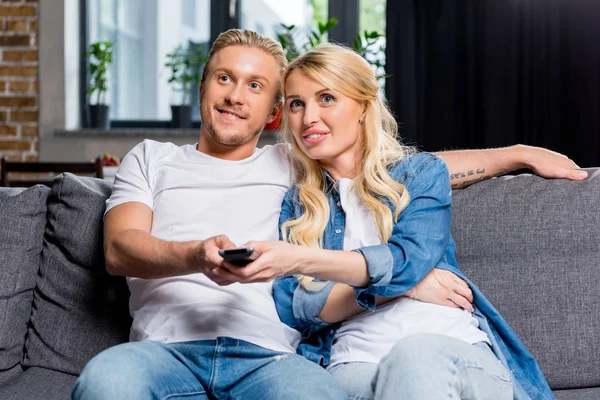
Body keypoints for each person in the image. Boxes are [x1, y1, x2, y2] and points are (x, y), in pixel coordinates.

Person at [72, 29, 581, 399]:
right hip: (173, 348)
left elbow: (406, 169)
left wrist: (514, 155)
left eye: (255, 86)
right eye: (225, 78)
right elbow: (120, 250)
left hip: (271, 359)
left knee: (364, 379)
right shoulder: (163, 159)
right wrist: (196, 254)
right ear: (204, 85)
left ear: (270, 112)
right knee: (104, 382)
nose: (233, 96)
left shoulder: (296, 165)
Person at [212, 43, 556, 399]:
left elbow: (407, 260)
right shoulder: (300, 204)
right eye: (297, 103)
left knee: (415, 357)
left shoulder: (420, 174)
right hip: (352, 364)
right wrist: (406, 288)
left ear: (362, 106)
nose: (308, 117)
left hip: (452, 352)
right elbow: (297, 306)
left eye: (326, 98)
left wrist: (305, 263)